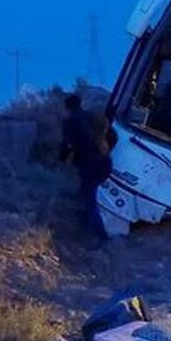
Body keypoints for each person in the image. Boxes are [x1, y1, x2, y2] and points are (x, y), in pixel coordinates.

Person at [59, 94, 113, 247]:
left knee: (89, 201)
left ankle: (102, 238)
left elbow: (67, 145)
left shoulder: (70, 122)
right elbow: (112, 134)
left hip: (90, 165)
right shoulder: (94, 117)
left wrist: (60, 160)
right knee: (84, 194)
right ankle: (83, 231)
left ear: (67, 107)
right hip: (105, 162)